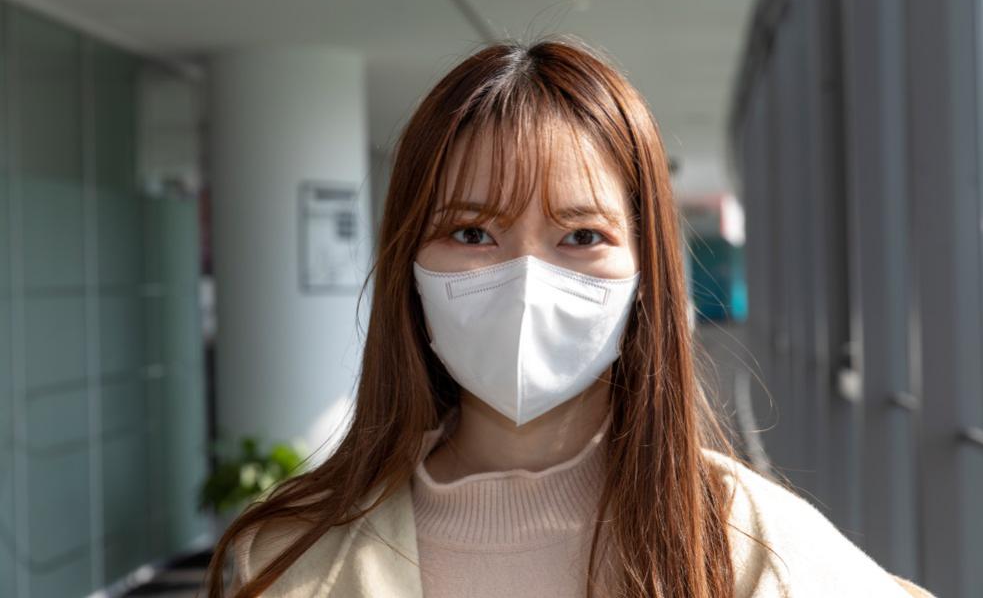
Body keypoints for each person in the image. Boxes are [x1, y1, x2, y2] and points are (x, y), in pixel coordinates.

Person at [205, 36, 935, 598]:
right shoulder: (287, 556)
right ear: (409, 264)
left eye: (581, 235)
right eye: (471, 232)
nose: (527, 280)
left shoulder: (752, 544)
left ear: (645, 273)